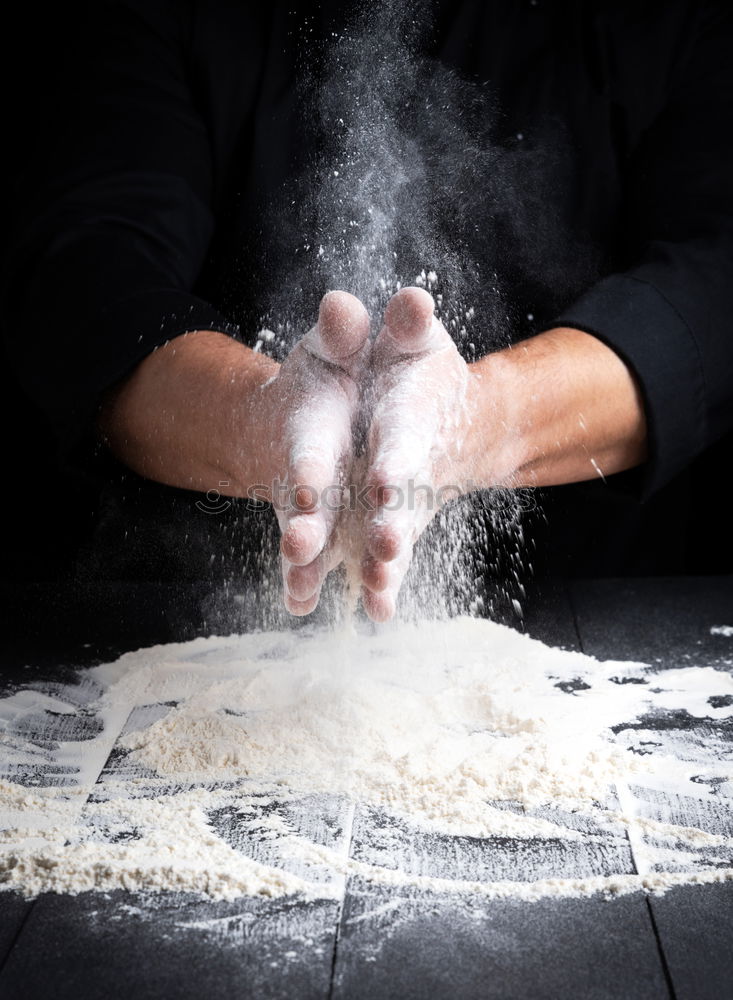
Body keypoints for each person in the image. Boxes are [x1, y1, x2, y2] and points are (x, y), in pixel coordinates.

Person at [4, 1, 733, 619]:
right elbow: (87, 271)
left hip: (615, 620)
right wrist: (260, 419)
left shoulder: (663, 17)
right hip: (177, 627)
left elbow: (712, 285)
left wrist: (479, 418)